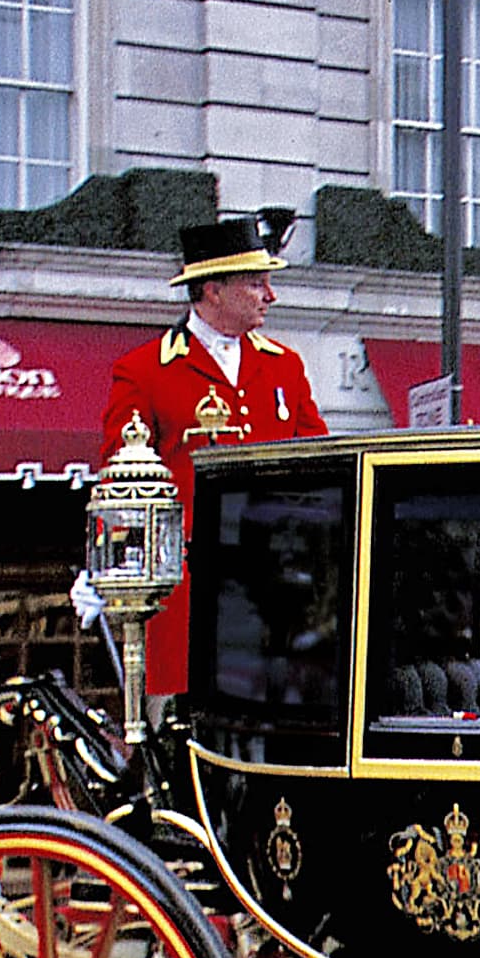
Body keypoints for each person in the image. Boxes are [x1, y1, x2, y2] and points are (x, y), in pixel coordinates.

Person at [87, 216, 328, 698]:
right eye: (256, 283)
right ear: (213, 290)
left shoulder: (284, 365)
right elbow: (121, 482)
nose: (271, 295)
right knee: (179, 736)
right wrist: (107, 566)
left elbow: (318, 463)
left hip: (277, 591)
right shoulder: (144, 371)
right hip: (188, 596)